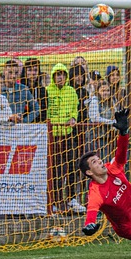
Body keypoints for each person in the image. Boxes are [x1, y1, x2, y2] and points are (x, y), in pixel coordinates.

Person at [79, 108, 131, 243]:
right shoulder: (96, 192)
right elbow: (92, 209)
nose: (100, 161)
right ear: (89, 172)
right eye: (94, 162)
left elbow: (121, 153)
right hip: (128, 226)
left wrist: (123, 133)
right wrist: (89, 224)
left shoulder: (113, 168)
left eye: (98, 158)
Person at [46, 63, 85, 214]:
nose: (60, 77)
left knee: (71, 167)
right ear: (53, 76)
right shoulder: (48, 91)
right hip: (53, 136)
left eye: (62, 74)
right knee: (54, 170)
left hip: (67, 135)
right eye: (57, 74)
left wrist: (74, 118)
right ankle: (54, 201)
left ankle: (71, 199)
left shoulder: (71, 92)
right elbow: (46, 110)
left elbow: (75, 109)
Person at [85, 79, 116, 156]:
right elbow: (94, 118)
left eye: (108, 90)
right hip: (94, 138)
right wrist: (112, 122)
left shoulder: (111, 102)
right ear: (98, 91)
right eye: (103, 90)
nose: (106, 93)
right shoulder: (94, 100)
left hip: (106, 137)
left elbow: (115, 115)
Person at [20, 57, 48, 122]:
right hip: (22, 125)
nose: (33, 73)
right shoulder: (20, 89)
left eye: (35, 70)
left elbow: (44, 112)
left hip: (37, 127)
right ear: (25, 72)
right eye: (30, 70)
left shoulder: (42, 91)